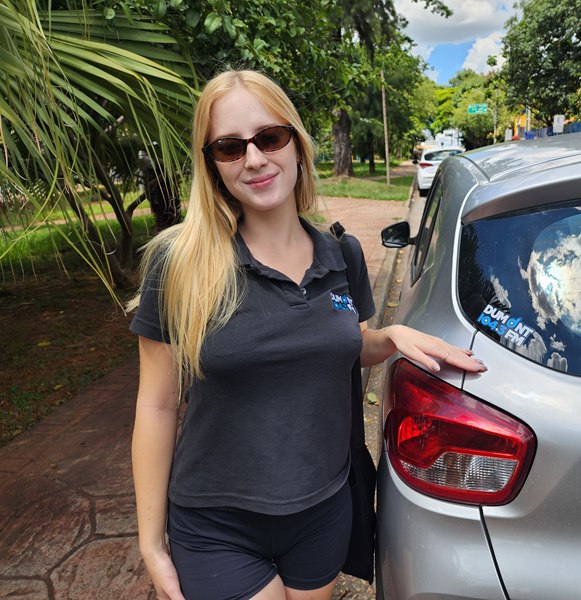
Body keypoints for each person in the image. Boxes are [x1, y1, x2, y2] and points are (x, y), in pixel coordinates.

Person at [128, 69, 486, 600]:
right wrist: (151, 541)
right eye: (230, 147)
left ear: (296, 143)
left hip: (323, 508)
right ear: (212, 164)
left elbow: (341, 347)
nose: (254, 159)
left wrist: (388, 338)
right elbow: (156, 405)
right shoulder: (179, 263)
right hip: (216, 520)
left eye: (269, 137)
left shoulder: (342, 254)